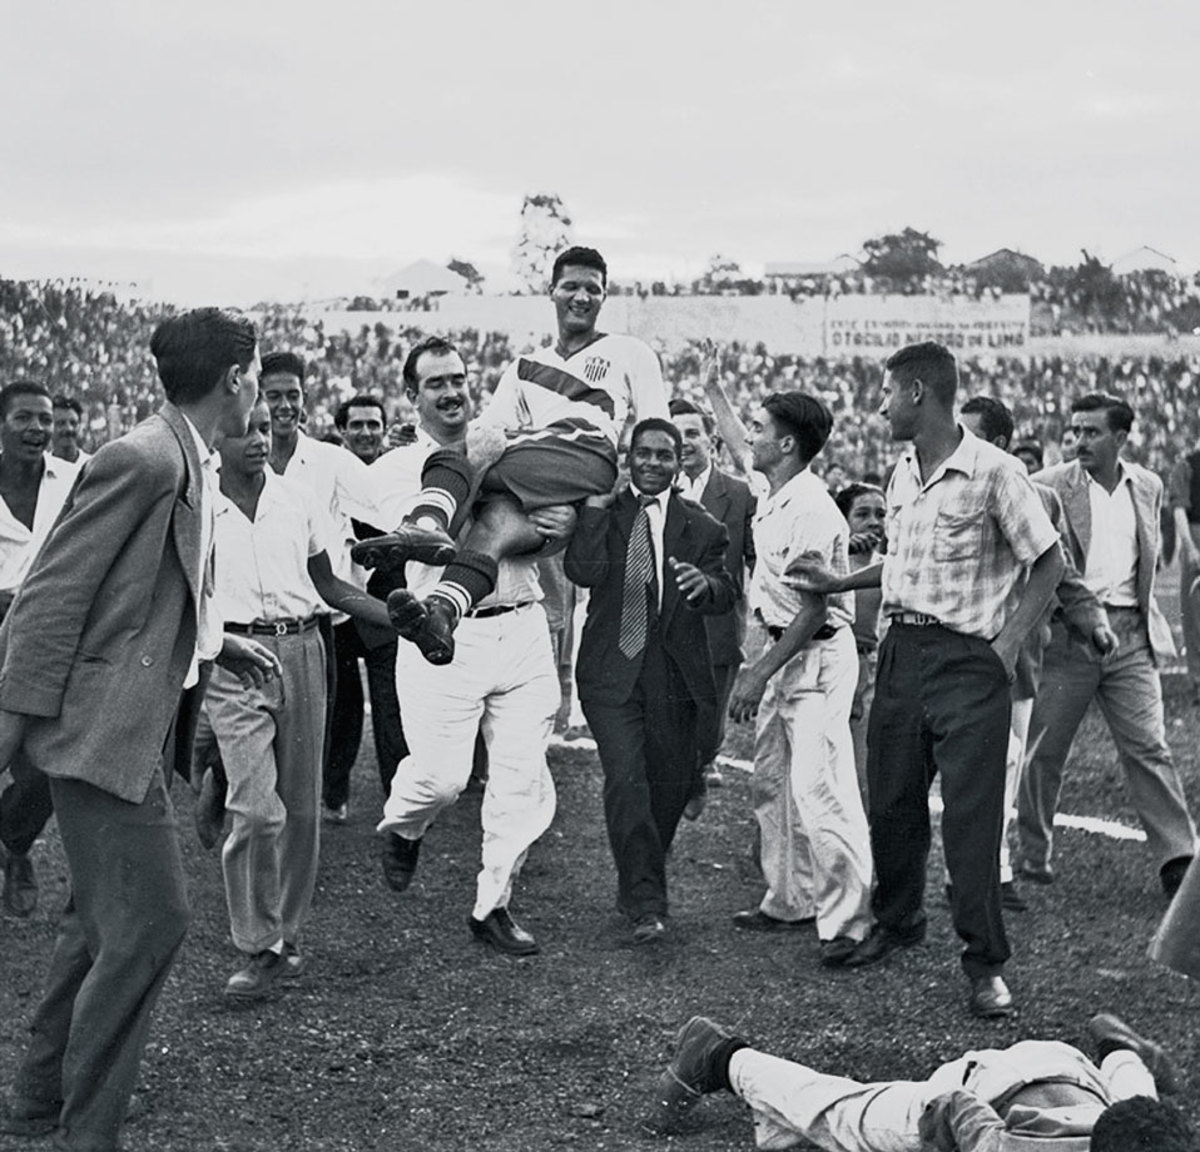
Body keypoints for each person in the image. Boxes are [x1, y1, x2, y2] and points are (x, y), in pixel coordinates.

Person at [0, 309, 278, 1152]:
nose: (258, 385)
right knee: (153, 921)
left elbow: (143, 594)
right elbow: (47, 605)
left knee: (95, 922)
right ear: (235, 378)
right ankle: (89, 1133)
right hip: (98, 740)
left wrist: (216, 645)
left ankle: (39, 1096)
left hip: (128, 729)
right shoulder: (143, 459)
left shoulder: (181, 456)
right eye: (256, 372)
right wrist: (7, 739)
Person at [789, 342, 1063, 1018]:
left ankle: (985, 965)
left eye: (886, 393)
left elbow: (1049, 563)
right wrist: (840, 580)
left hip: (969, 660)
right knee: (892, 801)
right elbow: (900, 567)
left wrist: (1006, 644)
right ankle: (899, 920)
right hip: (900, 651)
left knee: (971, 820)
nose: (878, 406)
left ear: (917, 392)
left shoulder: (996, 472)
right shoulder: (901, 472)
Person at [367, 246, 670, 665]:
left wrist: (601, 498)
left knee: (454, 457)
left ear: (604, 296)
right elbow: (488, 431)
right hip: (543, 473)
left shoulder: (630, 351)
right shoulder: (525, 366)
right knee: (492, 527)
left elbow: (657, 433)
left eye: (593, 289)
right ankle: (443, 612)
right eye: (571, 286)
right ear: (552, 291)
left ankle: (426, 524)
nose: (581, 297)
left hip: (584, 452)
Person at [373, 336, 566, 956]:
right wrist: (478, 459)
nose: (453, 391)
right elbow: (439, 538)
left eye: (458, 378)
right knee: (442, 781)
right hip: (444, 635)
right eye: (436, 383)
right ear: (411, 396)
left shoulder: (509, 443)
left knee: (520, 777)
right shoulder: (398, 469)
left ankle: (493, 906)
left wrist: (555, 529)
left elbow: (534, 535)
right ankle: (402, 826)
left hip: (521, 619)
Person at [204, 398, 392, 999]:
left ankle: (285, 938)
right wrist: (217, 642)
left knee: (302, 811)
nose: (260, 440)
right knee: (258, 811)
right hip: (235, 660)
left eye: (264, 429)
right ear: (216, 440)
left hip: (305, 649)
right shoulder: (200, 506)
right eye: (245, 431)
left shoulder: (298, 499)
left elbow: (330, 584)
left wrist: (396, 618)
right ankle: (254, 945)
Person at [698, 369, 871, 965]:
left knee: (820, 789)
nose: (750, 436)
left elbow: (813, 608)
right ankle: (789, 898)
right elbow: (736, 439)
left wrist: (757, 673)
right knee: (771, 781)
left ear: (788, 444)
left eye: (761, 428)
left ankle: (849, 922)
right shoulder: (773, 484)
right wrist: (713, 386)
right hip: (781, 652)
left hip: (814, 654)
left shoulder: (814, 510)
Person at [1018, 393, 1197, 897]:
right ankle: (1033, 854)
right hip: (1068, 635)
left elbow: (1146, 556)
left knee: (1148, 746)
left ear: (1121, 438)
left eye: (1091, 432)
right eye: (1073, 431)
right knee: (1044, 752)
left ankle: (1178, 858)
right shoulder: (1047, 485)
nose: (1078, 441)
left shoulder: (1149, 485)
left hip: (1131, 635)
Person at [564, 418, 736, 944]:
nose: (654, 463)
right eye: (645, 454)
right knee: (626, 778)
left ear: (680, 460)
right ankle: (646, 904)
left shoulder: (702, 526)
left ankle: (638, 878)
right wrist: (594, 510)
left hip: (672, 673)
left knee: (667, 785)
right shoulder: (604, 511)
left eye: (666, 455)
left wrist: (703, 584)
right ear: (629, 458)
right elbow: (583, 571)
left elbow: (726, 590)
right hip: (611, 671)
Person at [957, 396, 1114, 914]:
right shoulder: (943, 487)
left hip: (1015, 655)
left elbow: (1062, 572)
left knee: (1004, 762)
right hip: (947, 649)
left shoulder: (1043, 500)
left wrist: (1091, 620)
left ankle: (991, 873)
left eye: (971, 435)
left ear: (999, 445)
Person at [647, 1012, 1190, 1151]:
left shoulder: (1138, 1136)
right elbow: (953, 1107)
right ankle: (719, 1056)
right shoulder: (1008, 1148)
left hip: (1077, 1076)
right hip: (981, 1087)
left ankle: (1119, 1050)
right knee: (840, 1117)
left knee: (1138, 1105)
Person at [259, 352, 383, 823]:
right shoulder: (233, 459)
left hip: (316, 622)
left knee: (316, 729)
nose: (285, 406)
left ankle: (306, 813)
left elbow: (382, 500)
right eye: (274, 396)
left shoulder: (331, 461)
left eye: (293, 395)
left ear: (306, 401)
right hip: (250, 625)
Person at [0, 382, 77, 917]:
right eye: (24, 418)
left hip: (51, 632)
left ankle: (14, 846)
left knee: (45, 762)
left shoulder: (74, 481)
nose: (37, 429)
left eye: (45, 420)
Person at [324, 393, 407, 822]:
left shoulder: (397, 472)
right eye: (356, 425)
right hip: (338, 607)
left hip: (385, 605)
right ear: (342, 431)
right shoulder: (326, 472)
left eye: (373, 425)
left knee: (392, 710)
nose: (365, 433)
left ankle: (399, 803)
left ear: (384, 429)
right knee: (342, 710)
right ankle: (334, 794)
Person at [670, 397, 756, 801]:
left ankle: (704, 760)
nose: (683, 443)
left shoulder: (739, 496)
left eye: (691, 433)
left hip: (717, 628)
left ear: (712, 442)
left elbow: (757, 557)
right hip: (662, 626)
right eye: (675, 434)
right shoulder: (650, 491)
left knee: (709, 727)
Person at [832, 482, 885, 802]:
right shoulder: (833, 561)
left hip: (870, 671)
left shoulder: (891, 563)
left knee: (863, 770)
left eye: (881, 514)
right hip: (833, 663)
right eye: (862, 514)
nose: (873, 521)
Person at [1167, 443, 1200, 704]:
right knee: (1194, 612)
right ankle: (1198, 677)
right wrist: (1190, 547)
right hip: (1196, 536)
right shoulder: (1186, 465)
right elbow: (1180, 510)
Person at [49, 394, 90, 465]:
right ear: (50, 427)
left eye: (73, 423)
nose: (68, 429)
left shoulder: (91, 466)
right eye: (61, 423)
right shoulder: (42, 466)